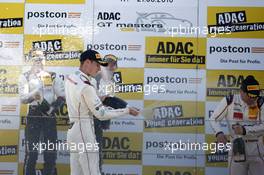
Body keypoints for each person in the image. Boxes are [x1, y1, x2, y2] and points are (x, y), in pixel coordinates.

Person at [65, 49, 139, 175]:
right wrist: (126, 110)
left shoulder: (71, 78)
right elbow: (102, 114)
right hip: (84, 130)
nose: (99, 69)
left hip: (73, 130)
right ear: (87, 62)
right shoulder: (86, 86)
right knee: (92, 171)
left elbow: (85, 100)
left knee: (76, 172)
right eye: (97, 65)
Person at [19, 49, 65, 175]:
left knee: (50, 152)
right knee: (31, 153)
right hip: (34, 115)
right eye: (36, 59)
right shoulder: (25, 76)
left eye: (41, 59)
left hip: (49, 116)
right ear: (31, 61)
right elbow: (23, 98)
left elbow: (62, 97)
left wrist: (52, 109)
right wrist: (34, 95)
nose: (39, 61)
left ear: (45, 60)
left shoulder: (53, 75)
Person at [210, 75, 264, 175]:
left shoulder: (261, 102)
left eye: (255, 96)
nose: (253, 99)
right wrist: (219, 133)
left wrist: (244, 130)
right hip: (237, 147)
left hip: (256, 148)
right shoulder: (230, 100)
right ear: (241, 92)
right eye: (250, 96)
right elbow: (213, 119)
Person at [93, 54, 128, 172]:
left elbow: (109, 99)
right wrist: (124, 107)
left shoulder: (111, 79)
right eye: (109, 64)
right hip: (94, 117)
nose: (112, 66)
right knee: (95, 150)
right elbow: (99, 99)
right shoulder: (97, 78)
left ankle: (97, 171)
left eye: (113, 64)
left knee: (98, 149)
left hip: (102, 116)